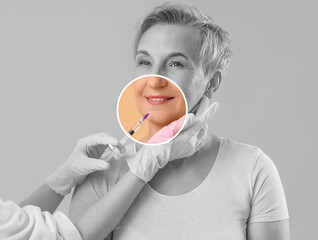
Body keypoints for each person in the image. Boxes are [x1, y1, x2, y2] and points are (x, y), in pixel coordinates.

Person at [70, 2, 290, 240]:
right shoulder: (103, 173)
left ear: (212, 81)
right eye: (145, 62)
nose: (154, 79)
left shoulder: (252, 169)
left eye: (175, 63)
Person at [0, 99, 218, 240]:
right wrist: (141, 169)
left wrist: (60, 181)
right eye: (144, 62)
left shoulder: (249, 163)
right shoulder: (105, 178)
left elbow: (14, 226)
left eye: (176, 63)